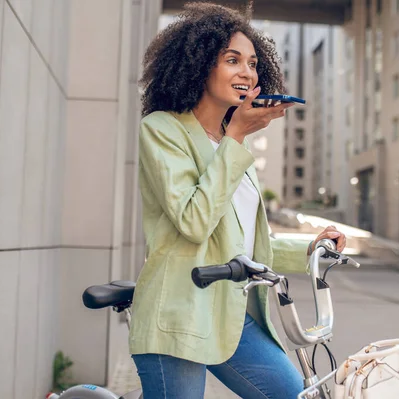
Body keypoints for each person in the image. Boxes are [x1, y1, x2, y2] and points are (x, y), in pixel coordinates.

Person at [129, 3, 346, 398]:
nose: (247, 72)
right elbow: (194, 223)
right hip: (179, 310)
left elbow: (245, 243)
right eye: (232, 60)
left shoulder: (233, 147)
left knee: (294, 393)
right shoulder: (162, 129)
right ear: (198, 65)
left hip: (231, 313)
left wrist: (311, 248)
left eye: (251, 63)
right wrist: (237, 137)